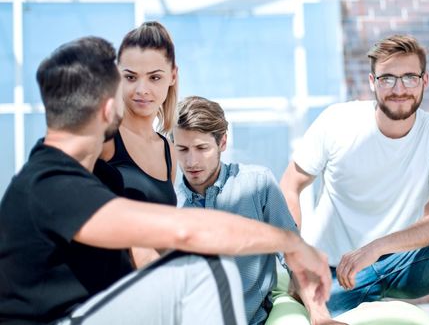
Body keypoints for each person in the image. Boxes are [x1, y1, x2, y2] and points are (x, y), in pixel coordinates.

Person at [0, 36, 331, 324]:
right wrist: (292, 242)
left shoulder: (97, 179)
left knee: (197, 267)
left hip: (90, 312)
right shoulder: (51, 184)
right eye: (125, 85)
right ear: (107, 109)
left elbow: (157, 251)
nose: (137, 95)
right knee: (208, 272)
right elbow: (186, 230)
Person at [280, 34, 429, 324]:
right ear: (373, 82)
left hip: (403, 261)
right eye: (387, 79)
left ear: (425, 81)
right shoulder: (338, 121)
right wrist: (297, 256)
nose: (399, 89)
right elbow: (289, 186)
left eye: (410, 77)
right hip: (339, 270)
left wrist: (376, 248)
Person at [173, 96, 299, 325]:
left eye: (202, 148)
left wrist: (318, 313)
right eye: (182, 149)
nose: (191, 161)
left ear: (222, 143)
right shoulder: (167, 200)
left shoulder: (257, 184)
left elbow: (294, 253)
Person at [100, 21, 178, 267]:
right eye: (131, 77)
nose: (142, 89)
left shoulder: (169, 152)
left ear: (172, 76)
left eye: (155, 77)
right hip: (107, 288)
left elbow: (164, 237)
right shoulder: (104, 140)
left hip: (156, 287)